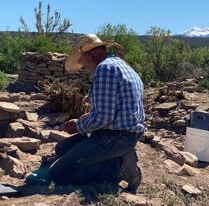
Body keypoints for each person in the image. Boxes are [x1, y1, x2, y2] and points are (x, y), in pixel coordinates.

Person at [47, 34, 145, 192]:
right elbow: (112, 108)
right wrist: (90, 117)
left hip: (115, 136)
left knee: (57, 173)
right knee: (62, 149)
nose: (84, 67)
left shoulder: (104, 69)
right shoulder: (120, 65)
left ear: (88, 55)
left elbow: (104, 118)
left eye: (82, 62)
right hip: (121, 133)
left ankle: (117, 167)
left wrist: (77, 126)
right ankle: (116, 156)